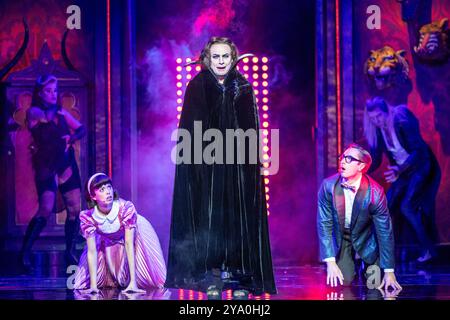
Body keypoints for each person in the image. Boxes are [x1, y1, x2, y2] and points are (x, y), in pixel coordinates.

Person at [165, 37, 276, 297]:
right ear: (207, 58)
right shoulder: (198, 85)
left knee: (238, 218)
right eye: (216, 56)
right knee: (209, 218)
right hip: (207, 164)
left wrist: (256, 161)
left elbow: (252, 129)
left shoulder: (243, 87)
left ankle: (240, 278)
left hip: (239, 165)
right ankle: (211, 277)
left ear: (233, 57)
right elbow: (189, 129)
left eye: (225, 56)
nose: (221, 61)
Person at [19, 74, 86, 271]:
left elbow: (81, 129)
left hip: (65, 162)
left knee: (74, 209)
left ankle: (70, 252)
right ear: (40, 93)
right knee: (46, 209)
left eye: (55, 90)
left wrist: (71, 137)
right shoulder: (34, 112)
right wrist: (62, 118)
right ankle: (25, 252)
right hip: (46, 164)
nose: (52, 94)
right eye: (48, 91)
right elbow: (47, 118)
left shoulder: (61, 112)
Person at [364, 97, 441, 263]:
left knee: (407, 206)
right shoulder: (378, 130)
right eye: (373, 119)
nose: (377, 121)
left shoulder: (400, 119)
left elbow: (418, 151)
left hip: (421, 166)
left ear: (386, 111)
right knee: (384, 206)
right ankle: (373, 253)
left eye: (379, 116)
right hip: (404, 172)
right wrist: (360, 171)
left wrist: (400, 169)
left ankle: (429, 250)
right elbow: (376, 159)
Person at [317, 143, 402, 292]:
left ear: (361, 166)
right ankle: (346, 263)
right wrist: (330, 261)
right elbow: (324, 224)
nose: (342, 161)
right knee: (342, 281)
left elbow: (384, 232)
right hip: (342, 238)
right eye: (343, 157)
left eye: (349, 159)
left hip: (366, 241)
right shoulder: (328, 186)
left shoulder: (375, 193)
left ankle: (367, 264)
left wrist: (389, 271)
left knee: (374, 284)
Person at [73, 173, 166, 293]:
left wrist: (134, 283)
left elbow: (128, 243)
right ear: (93, 196)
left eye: (109, 187)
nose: (108, 192)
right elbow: (92, 251)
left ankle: (132, 281)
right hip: (108, 240)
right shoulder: (89, 217)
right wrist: (93, 286)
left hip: (135, 234)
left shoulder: (125, 209)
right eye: (102, 189)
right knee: (98, 249)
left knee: (139, 263)